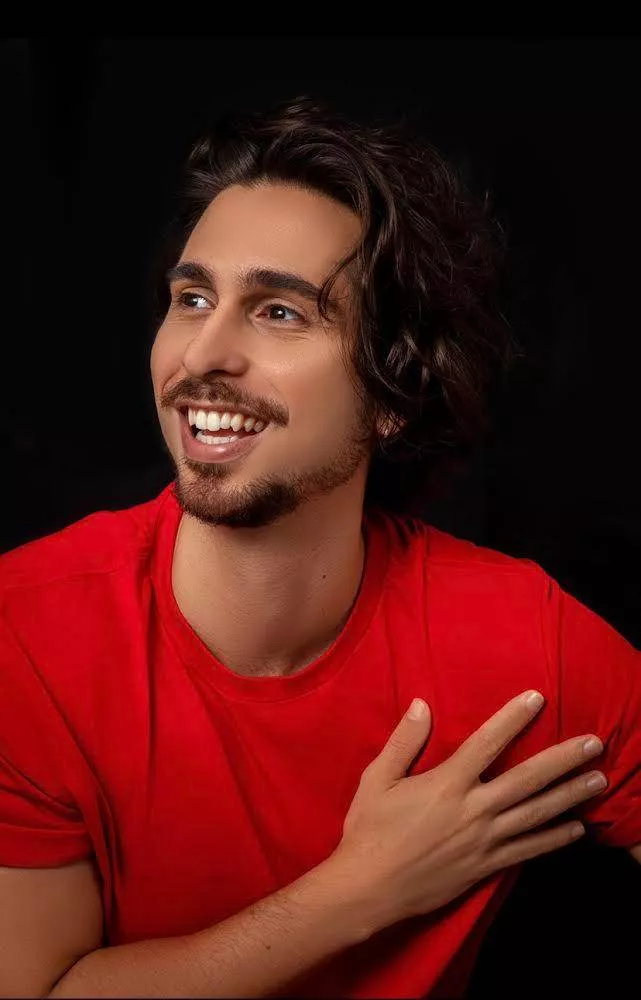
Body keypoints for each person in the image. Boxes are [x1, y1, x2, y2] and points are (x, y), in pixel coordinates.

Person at [0, 96, 639, 999]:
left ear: (394, 395)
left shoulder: (521, 641)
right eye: (192, 299)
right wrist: (358, 892)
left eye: (279, 312)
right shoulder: (27, 635)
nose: (202, 355)